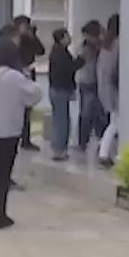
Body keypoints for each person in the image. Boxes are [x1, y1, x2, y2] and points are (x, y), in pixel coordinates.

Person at [0, 37, 42, 229]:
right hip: (9, 131)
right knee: (4, 174)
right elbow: (34, 96)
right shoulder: (14, 76)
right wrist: (26, 75)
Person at [48, 28, 84, 161]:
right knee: (62, 121)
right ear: (61, 38)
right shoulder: (60, 54)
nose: (70, 38)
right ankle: (59, 150)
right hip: (60, 90)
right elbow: (69, 69)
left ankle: (58, 148)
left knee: (59, 119)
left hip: (56, 89)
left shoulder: (58, 51)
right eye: (67, 36)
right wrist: (81, 58)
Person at [12, 15, 46, 151]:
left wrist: (33, 35)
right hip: (16, 74)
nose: (26, 29)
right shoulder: (13, 39)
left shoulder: (29, 40)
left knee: (27, 108)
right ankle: (14, 137)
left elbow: (41, 50)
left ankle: (26, 139)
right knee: (15, 108)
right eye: (25, 27)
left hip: (28, 75)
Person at [96, 14, 121, 167]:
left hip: (104, 87)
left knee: (114, 121)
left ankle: (103, 149)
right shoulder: (118, 43)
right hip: (112, 88)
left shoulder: (106, 44)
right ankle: (103, 153)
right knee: (116, 122)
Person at [76, 20, 103, 153]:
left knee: (98, 114)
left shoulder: (100, 47)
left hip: (95, 82)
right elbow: (78, 60)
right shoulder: (84, 47)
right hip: (87, 82)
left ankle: (100, 141)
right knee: (86, 114)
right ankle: (83, 142)